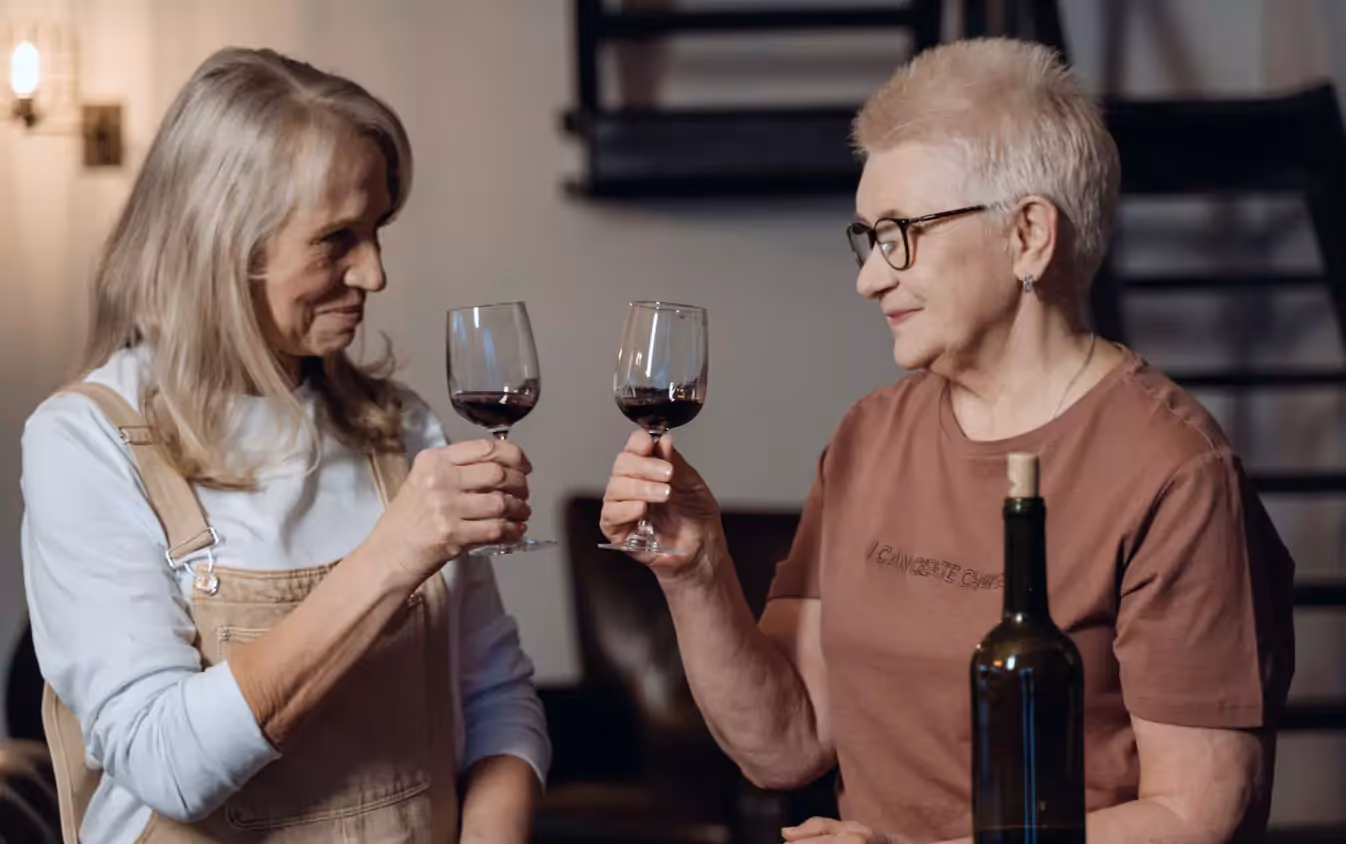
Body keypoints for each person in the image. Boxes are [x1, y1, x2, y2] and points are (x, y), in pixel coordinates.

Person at [600, 38, 1295, 844]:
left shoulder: (1174, 472)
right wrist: (695, 571)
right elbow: (785, 746)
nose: (869, 277)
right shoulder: (868, 436)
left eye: (902, 232)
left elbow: (1198, 813)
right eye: (867, 238)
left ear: (1029, 234)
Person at [22, 47, 547, 844]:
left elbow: (496, 696)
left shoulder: (401, 429)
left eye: (378, 231)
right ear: (224, 245)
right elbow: (167, 764)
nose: (374, 274)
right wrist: (393, 555)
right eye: (337, 239)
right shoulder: (85, 441)